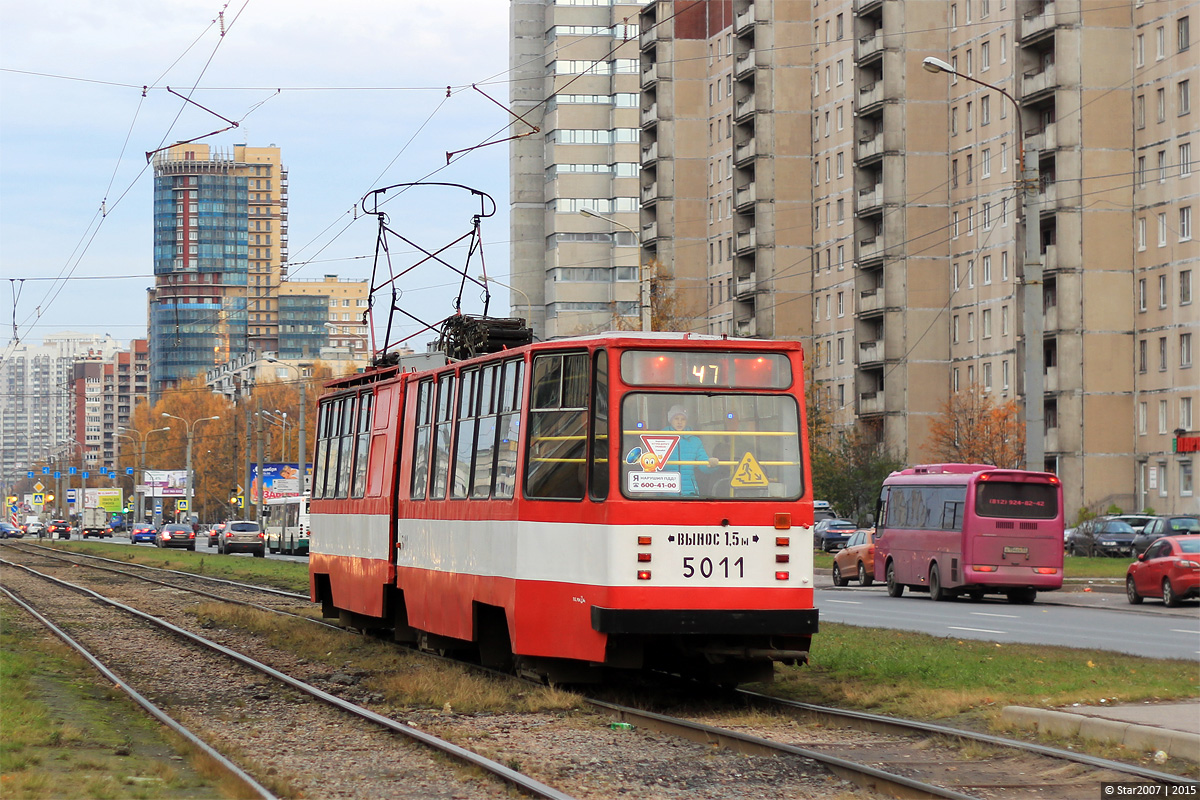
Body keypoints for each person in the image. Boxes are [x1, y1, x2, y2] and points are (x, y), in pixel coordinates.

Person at [664, 405, 719, 496]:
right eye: (676, 418)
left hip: (689, 492)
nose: (679, 422)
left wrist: (711, 464)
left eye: (683, 419)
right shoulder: (660, 439)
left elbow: (703, 464)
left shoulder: (695, 441)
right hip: (665, 492)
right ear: (670, 420)